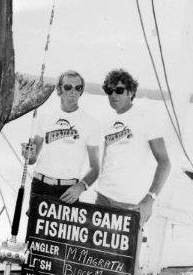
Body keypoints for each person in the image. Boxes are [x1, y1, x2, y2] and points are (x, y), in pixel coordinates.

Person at [95, 69, 171, 224]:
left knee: (126, 249)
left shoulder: (146, 118)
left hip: (131, 204)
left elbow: (164, 162)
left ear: (130, 92)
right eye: (109, 91)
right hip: (102, 199)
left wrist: (150, 199)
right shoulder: (106, 121)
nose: (113, 95)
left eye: (119, 90)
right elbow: (106, 159)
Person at [22, 70, 100, 205]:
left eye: (78, 88)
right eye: (68, 87)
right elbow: (32, 160)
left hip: (69, 190)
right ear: (59, 90)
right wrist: (28, 154)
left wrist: (81, 187)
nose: (73, 91)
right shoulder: (45, 117)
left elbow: (95, 168)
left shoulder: (91, 124)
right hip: (40, 186)